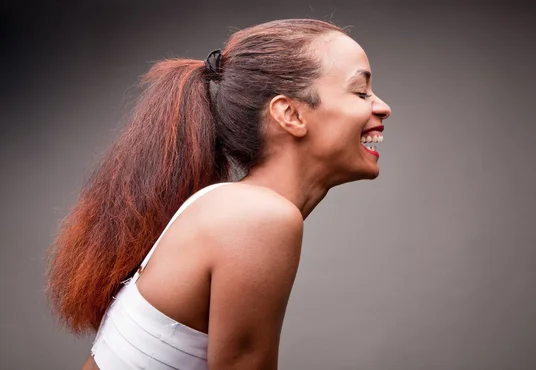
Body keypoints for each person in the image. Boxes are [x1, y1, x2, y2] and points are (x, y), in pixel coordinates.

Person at [46, 18, 391, 370]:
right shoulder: (258, 217)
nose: (383, 107)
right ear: (289, 113)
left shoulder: (229, 206)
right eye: (361, 92)